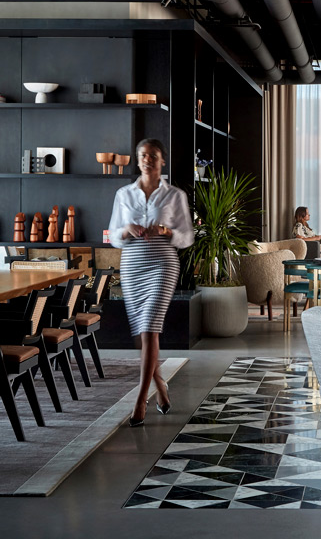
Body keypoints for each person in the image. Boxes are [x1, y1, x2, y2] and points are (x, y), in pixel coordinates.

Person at [108, 138, 193, 427]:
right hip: (132, 267)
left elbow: (186, 237)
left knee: (148, 328)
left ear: (162, 160)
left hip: (162, 266)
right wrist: (126, 229)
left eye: (153, 155)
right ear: (138, 159)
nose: (147, 159)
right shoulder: (123, 194)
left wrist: (166, 231)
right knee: (141, 334)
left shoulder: (175, 195)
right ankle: (161, 386)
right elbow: (113, 235)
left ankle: (140, 400)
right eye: (143, 155)